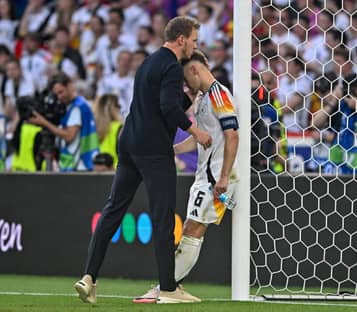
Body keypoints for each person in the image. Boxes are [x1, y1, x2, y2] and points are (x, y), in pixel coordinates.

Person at [74, 16, 211, 304]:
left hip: (129, 143)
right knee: (163, 218)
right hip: (153, 149)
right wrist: (197, 132)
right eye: (195, 40)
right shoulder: (173, 67)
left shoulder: (149, 62)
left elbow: (158, 105)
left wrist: (189, 98)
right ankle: (168, 288)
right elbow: (168, 111)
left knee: (113, 209)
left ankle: (89, 277)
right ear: (182, 39)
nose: (196, 45)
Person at [135, 49, 239, 303]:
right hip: (204, 175)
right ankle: (169, 287)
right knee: (191, 230)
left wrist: (224, 177)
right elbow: (202, 140)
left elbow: (232, 135)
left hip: (217, 178)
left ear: (194, 70)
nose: (184, 85)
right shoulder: (204, 98)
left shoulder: (220, 94)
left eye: (184, 79)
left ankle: (166, 288)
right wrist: (172, 150)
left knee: (193, 229)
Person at [28, 72, 99, 172]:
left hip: (79, 165)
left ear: (70, 86)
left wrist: (44, 122)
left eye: (61, 92)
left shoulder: (78, 107)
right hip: (75, 164)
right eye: (56, 94)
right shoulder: (72, 106)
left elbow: (69, 136)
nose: (59, 97)